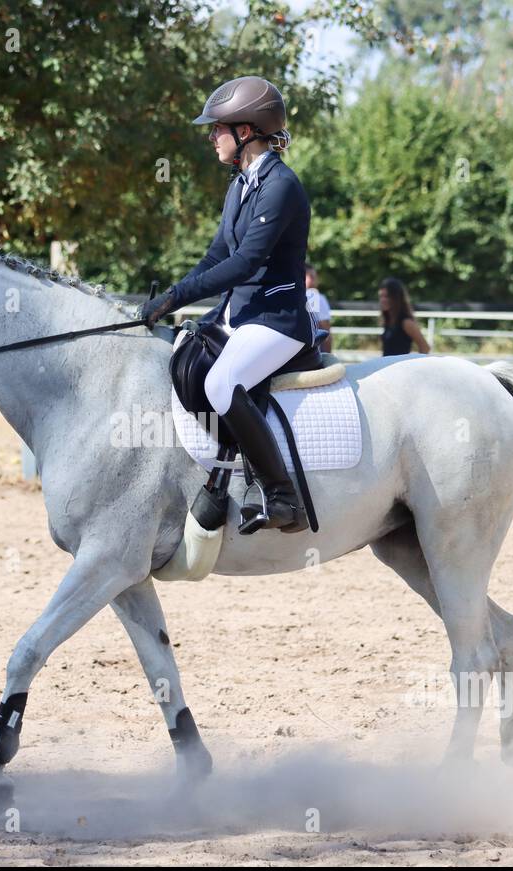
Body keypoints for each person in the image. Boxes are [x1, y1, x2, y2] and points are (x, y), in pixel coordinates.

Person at [138, 75, 313, 534]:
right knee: (183, 357)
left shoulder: (281, 185)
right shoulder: (240, 185)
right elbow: (217, 254)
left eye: (217, 128)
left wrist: (177, 296)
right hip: (240, 315)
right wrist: (171, 297)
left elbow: (245, 262)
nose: (210, 136)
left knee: (221, 383)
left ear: (247, 130)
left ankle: (282, 497)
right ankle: (225, 475)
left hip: (277, 320)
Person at [378, 277, 430, 356]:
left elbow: (425, 348)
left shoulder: (406, 322)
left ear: (396, 298)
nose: (382, 300)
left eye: (387, 296)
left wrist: (412, 365)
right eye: (381, 296)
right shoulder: (389, 320)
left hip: (399, 367)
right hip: (388, 366)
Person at [305, 264, 332, 352]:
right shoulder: (313, 295)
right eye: (312, 276)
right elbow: (324, 329)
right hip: (312, 352)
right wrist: (328, 355)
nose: (316, 280)